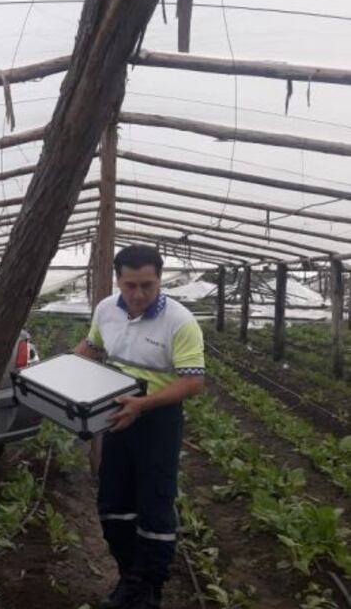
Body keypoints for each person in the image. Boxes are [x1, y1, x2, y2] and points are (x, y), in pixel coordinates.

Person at [74, 245, 205, 609]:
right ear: (118, 281)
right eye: (130, 285)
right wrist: (60, 374)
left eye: (147, 285)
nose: (138, 294)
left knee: (154, 504)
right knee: (113, 501)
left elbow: (193, 382)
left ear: (160, 280)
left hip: (157, 420)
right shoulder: (106, 310)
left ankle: (148, 587)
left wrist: (142, 405)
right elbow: (91, 347)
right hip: (116, 414)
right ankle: (129, 576)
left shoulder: (179, 321)